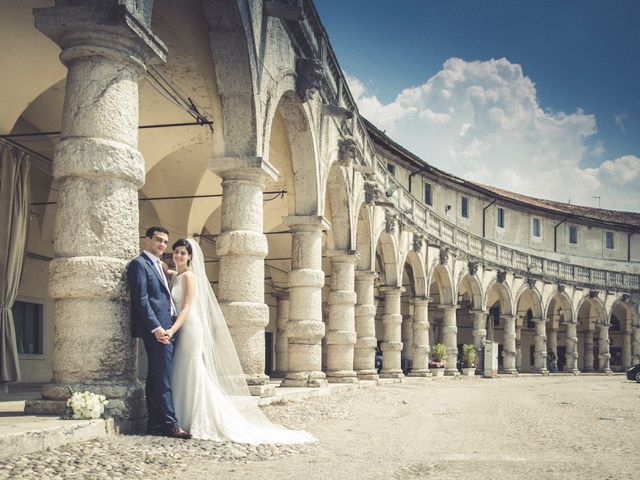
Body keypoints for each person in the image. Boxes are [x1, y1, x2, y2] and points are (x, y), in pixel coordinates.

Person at [165, 238, 316, 444]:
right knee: (181, 369)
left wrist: (172, 330)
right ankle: (181, 416)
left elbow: (186, 308)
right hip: (182, 328)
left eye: (183, 252)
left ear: (190, 256)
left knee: (190, 369)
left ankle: (193, 417)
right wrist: (163, 267)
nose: (179, 256)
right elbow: (168, 273)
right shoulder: (178, 275)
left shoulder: (190, 277)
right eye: (176, 252)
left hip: (189, 327)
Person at [127, 227, 191, 439]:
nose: (162, 245)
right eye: (158, 240)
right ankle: (171, 425)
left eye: (165, 241)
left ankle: (155, 424)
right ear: (147, 240)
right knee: (162, 378)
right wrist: (156, 329)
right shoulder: (139, 264)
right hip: (159, 330)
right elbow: (142, 300)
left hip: (169, 327)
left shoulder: (159, 265)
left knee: (156, 378)